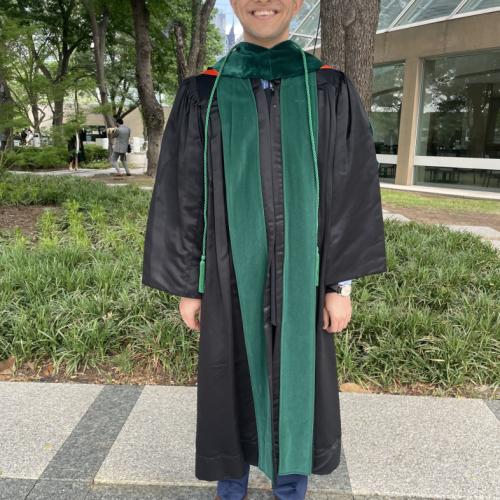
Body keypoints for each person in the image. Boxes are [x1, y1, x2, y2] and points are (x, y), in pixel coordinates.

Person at [142, 0, 387, 498]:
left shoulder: (328, 87)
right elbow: (183, 192)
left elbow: (350, 188)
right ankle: (231, 484)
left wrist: (339, 285)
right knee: (228, 373)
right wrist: (189, 286)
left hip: (305, 275)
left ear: (297, 3)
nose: (263, 2)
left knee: (299, 378)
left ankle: (290, 484)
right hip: (228, 273)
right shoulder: (204, 92)